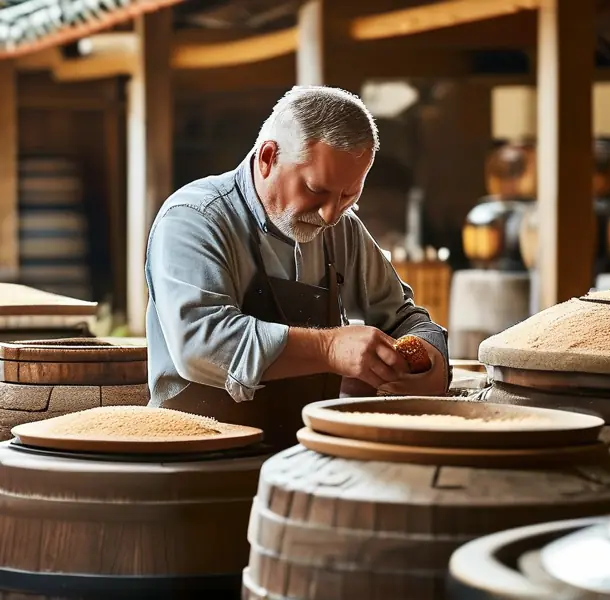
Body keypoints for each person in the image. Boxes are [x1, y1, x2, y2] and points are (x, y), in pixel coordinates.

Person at [144, 85, 451, 449]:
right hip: (194, 458)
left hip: (303, 455)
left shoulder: (343, 230)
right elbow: (200, 342)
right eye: (316, 189)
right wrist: (329, 349)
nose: (330, 213)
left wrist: (431, 359)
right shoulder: (195, 219)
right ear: (268, 157)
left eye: (349, 195)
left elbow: (404, 317)